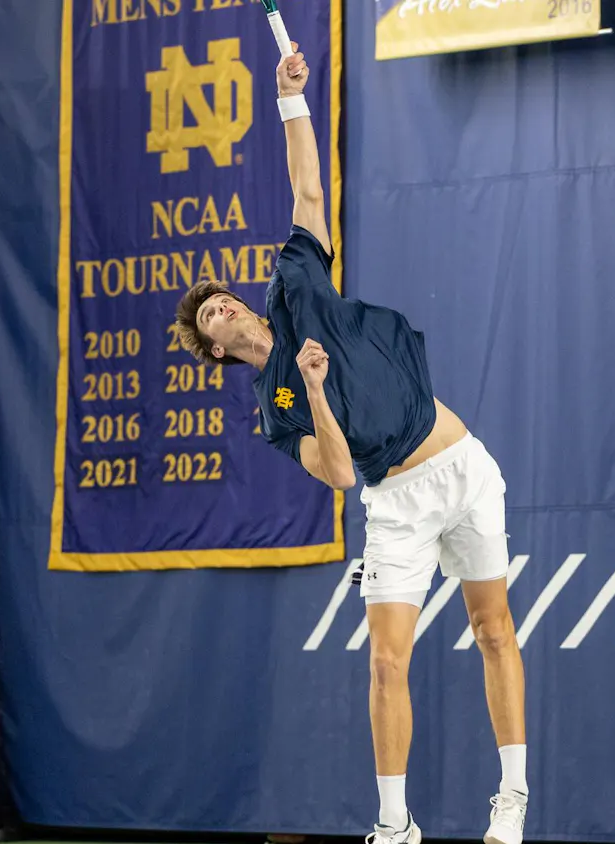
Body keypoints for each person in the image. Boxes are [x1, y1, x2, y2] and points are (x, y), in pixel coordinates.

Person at [171, 42, 529, 844]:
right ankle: (395, 826)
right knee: (384, 662)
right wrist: (320, 394)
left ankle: (511, 797)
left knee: (495, 630)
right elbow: (335, 474)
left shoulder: (295, 279)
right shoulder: (276, 408)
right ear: (220, 352)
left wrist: (289, 98)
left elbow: (307, 186)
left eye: (223, 301)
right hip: (393, 501)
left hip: (461, 466)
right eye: (210, 321)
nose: (222, 310)